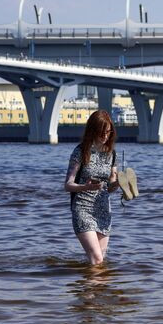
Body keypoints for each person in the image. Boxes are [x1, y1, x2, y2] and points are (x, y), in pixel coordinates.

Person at [65, 110, 120, 265]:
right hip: (82, 208)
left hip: (103, 210)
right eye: (101, 132)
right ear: (92, 131)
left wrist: (120, 184)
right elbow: (68, 185)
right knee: (97, 258)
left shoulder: (112, 154)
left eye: (108, 132)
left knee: (98, 261)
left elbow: (110, 187)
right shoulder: (81, 151)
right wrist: (85, 187)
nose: (105, 136)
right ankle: (91, 287)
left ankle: (92, 288)